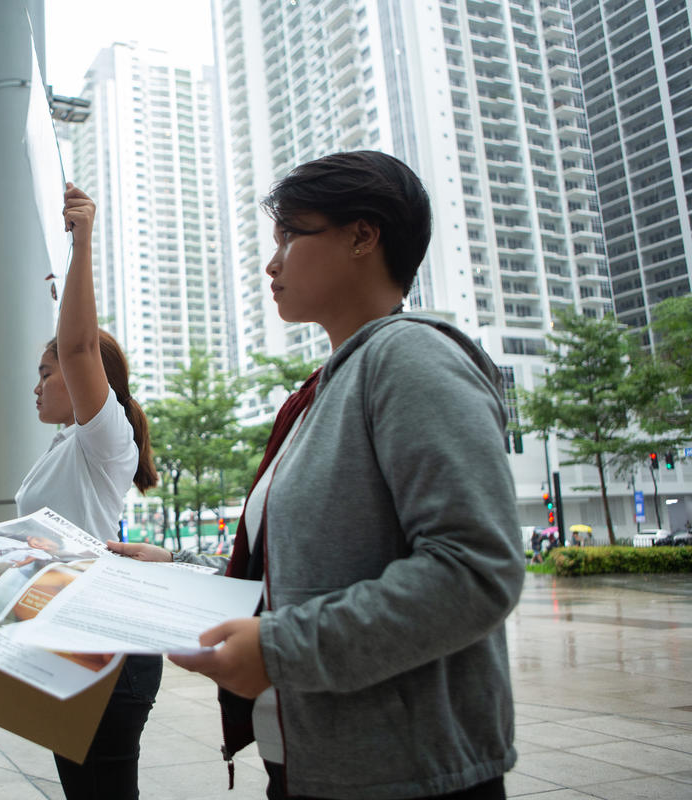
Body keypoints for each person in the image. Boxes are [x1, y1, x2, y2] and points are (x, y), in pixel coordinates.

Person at [109, 151, 522, 800]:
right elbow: (300, 573)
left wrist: (281, 650)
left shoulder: (408, 357)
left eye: (291, 236)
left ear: (363, 235)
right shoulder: (323, 392)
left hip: (407, 779)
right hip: (313, 766)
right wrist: (178, 565)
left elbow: (475, 569)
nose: (271, 263)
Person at [15, 184, 161, 800]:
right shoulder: (68, 445)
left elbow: (77, 345)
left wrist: (83, 244)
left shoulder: (107, 440)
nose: (38, 386)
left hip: (109, 648)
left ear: (85, 383)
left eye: (46, 374)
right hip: (70, 637)